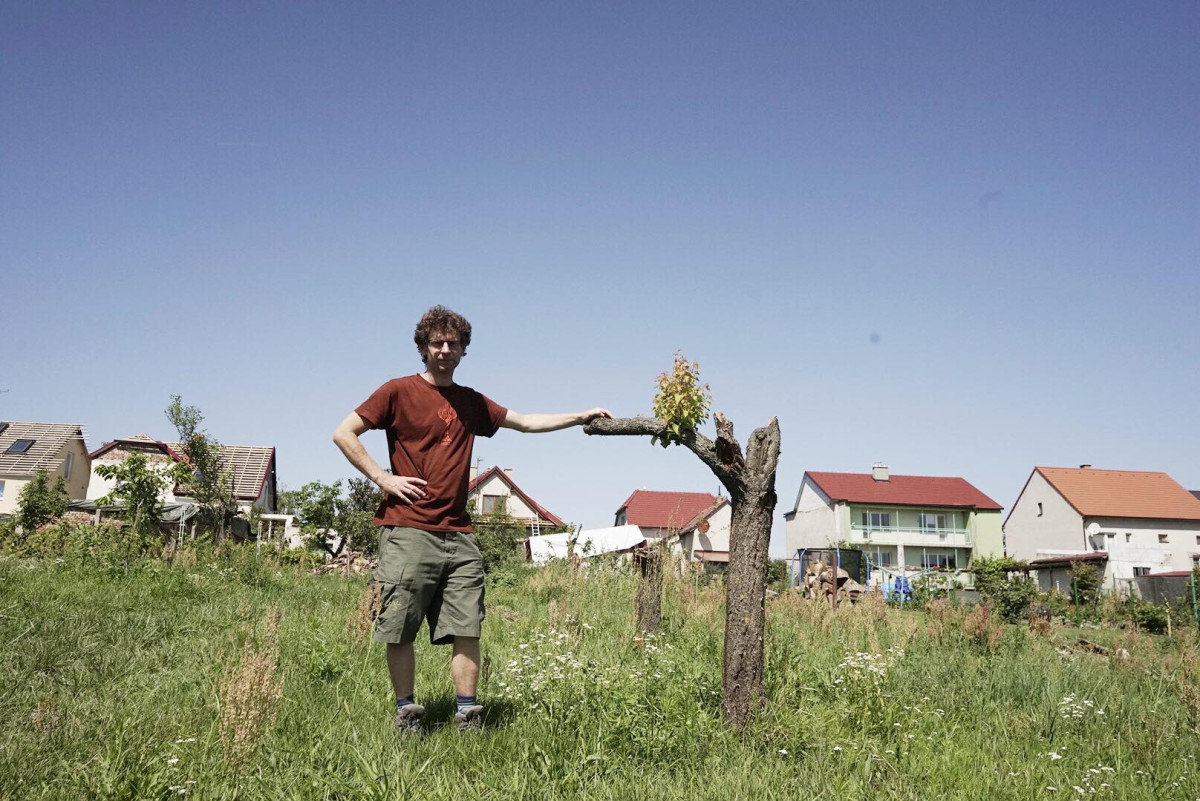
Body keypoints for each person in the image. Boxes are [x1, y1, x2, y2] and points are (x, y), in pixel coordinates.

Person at [332, 305, 611, 734]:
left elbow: (524, 422)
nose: (445, 350)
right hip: (408, 529)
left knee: (467, 627)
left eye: (453, 344)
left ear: (464, 350)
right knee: (400, 627)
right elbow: (344, 432)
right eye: (437, 343)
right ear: (423, 348)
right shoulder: (397, 391)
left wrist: (578, 417)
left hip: (459, 535)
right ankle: (407, 713)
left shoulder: (471, 402)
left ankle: (467, 714)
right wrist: (382, 478)